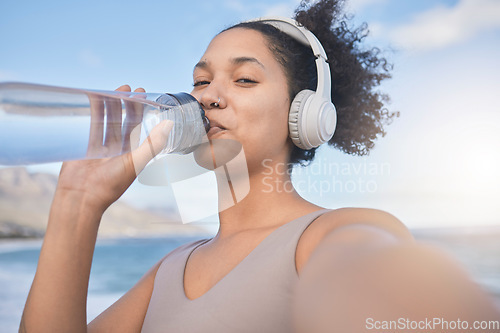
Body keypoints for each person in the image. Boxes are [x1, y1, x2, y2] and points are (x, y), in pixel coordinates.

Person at [20, 1, 500, 332]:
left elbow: (399, 293)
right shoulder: (170, 270)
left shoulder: (332, 235)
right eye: (201, 81)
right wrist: (77, 204)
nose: (207, 95)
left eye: (244, 78)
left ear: (304, 115)